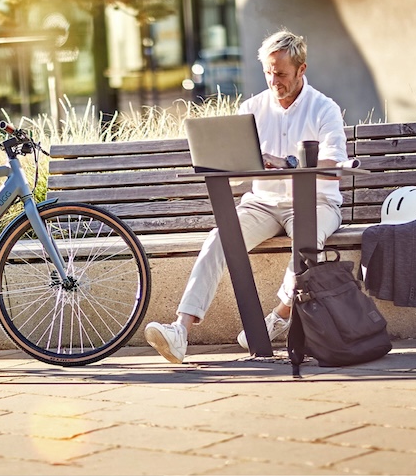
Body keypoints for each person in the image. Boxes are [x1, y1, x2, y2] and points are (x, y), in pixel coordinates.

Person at [144, 29, 348, 363]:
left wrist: (288, 164)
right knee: (218, 238)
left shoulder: (324, 108)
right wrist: (233, 162)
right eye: (268, 72)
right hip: (263, 203)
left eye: (281, 73)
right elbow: (236, 171)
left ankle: (280, 316)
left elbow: (333, 166)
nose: (273, 80)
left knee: (306, 245)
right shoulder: (251, 107)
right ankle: (181, 331)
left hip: (315, 202)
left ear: (301, 70)